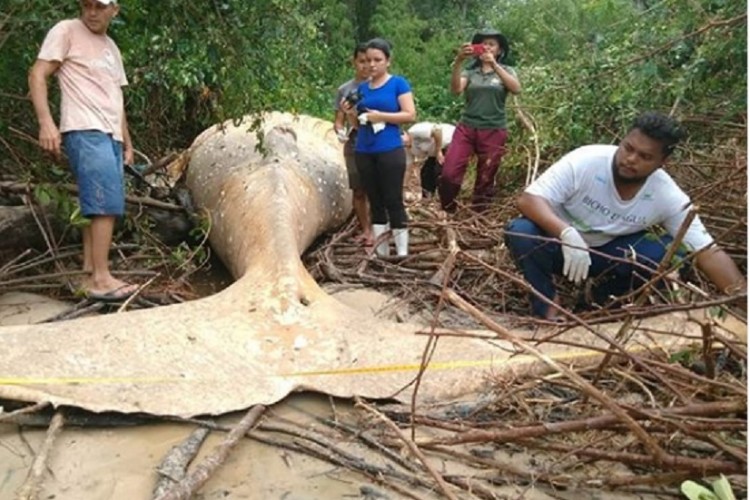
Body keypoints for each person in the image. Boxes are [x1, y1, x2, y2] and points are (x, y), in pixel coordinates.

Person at [504, 112, 746, 319]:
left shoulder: (666, 194)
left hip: (609, 255)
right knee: (520, 231)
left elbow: (708, 252)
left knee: (672, 252)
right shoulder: (586, 161)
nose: (631, 159)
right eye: (628, 148)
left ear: (663, 162)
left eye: (645, 157)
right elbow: (529, 200)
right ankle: (547, 307)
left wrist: (742, 299)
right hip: (560, 248)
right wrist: (566, 233)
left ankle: (601, 302)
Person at [29, 0, 137, 301]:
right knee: (105, 204)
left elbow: (116, 98)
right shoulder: (66, 31)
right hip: (84, 128)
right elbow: (37, 74)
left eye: (99, 7)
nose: (92, 12)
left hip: (109, 134)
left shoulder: (111, 48)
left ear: (114, 9)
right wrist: (46, 123)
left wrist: (127, 142)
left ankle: (91, 269)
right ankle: (101, 279)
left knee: (98, 199)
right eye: (87, 5)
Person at [343, 38, 416, 257]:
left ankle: (402, 251)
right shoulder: (362, 88)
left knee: (393, 198)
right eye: (367, 60)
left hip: (390, 147)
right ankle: (382, 251)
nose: (372, 65)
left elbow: (410, 114)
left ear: (388, 61)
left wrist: (381, 116)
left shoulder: (398, 84)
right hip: (364, 149)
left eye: (377, 60)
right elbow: (357, 124)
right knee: (375, 200)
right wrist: (350, 113)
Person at [439, 28, 521, 213]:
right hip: (467, 128)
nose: (486, 48)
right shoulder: (471, 72)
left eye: (491, 44)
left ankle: (478, 219)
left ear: (499, 50)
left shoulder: (506, 70)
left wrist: (495, 66)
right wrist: (459, 61)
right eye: (483, 44)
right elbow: (456, 90)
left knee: (485, 178)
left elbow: (516, 89)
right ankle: (448, 211)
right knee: (449, 174)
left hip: (494, 130)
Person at [333, 43, 372, 244]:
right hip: (356, 140)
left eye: (371, 61)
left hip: (379, 140)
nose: (366, 66)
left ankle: (380, 227)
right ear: (354, 62)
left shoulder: (383, 85)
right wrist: (341, 132)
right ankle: (366, 229)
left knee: (380, 187)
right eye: (362, 61)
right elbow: (339, 120)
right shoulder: (345, 90)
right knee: (358, 189)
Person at [402, 122, 456, 199]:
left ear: (405, 133)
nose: (404, 141)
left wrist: (438, 150)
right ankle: (428, 197)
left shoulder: (414, 131)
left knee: (440, 171)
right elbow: (408, 168)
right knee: (426, 172)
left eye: (402, 138)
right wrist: (404, 186)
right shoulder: (407, 149)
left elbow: (437, 130)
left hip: (448, 141)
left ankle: (446, 198)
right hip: (434, 153)